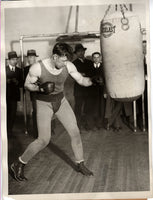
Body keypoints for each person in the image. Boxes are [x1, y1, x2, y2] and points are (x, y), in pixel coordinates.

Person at [11, 43, 96, 182]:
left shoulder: (68, 65)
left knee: (75, 132)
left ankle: (80, 163)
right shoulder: (37, 68)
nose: (65, 63)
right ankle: (19, 163)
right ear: (55, 56)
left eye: (67, 60)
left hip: (61, 102)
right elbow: (27, 85)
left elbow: (81, 80)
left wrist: (93, 81)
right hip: (44, 103)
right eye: (63, 60)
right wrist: (40, 89)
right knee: (43, 140)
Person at [73, 44, 93, 130]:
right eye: (78, 52)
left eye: (82, 51)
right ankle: (78, 126)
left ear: (84, 51)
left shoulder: (90, 62)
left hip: (89, 89)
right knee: (78, 107)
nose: (81, 53)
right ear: (76, 54)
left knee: (88, 107)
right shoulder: (73, 64)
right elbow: (74, 75)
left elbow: (92, 74)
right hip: (79, 90)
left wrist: (82, 74)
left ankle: (88, 125)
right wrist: (84, 74)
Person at [84, 52, 104, 130]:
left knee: (100, 107)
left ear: (100, 58)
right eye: (94, 57)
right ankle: (90, 125)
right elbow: (86, 78)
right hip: (90, 91)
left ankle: (99, 124)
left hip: (100, 91)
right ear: (92, 59)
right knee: (90, 108)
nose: (96, 59)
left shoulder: (104, 67)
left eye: (97, 57)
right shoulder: (88, 67)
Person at [6, 51, 22, 136]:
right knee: (5, 113)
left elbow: (22, 84)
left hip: (14, 96)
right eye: (13, 59)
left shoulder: (19, 71)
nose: (15, 61)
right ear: (8, 60)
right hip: (4, 96)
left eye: (16, 59)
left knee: (12, 114)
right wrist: (6, 81)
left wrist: (17, 82)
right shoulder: (3, 69)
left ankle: (9, 131)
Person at [24, 49, 39, 138]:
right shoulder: (26, 69)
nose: (31, 59)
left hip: (43, 92)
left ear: (35, 58)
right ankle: (36, 132)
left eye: (32, 57)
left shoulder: (39, 66)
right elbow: (25, 83)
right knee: (36, 111)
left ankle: (47, 130)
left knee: (44, 111)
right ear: (27, 58)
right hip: (33, 93)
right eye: (29, 57)